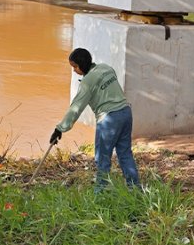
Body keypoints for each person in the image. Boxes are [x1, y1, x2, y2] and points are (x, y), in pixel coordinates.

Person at [49, 48, 140, 190]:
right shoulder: (106, 68)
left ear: (82, 64)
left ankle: (101, 192)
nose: (74, 71)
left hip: (110, 119)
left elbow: (76, 107)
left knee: (102, 158)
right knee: (125, 153)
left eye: (75, 67)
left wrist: (60, 129)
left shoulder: (87, 82)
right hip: (125, 113)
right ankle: (135, 189)